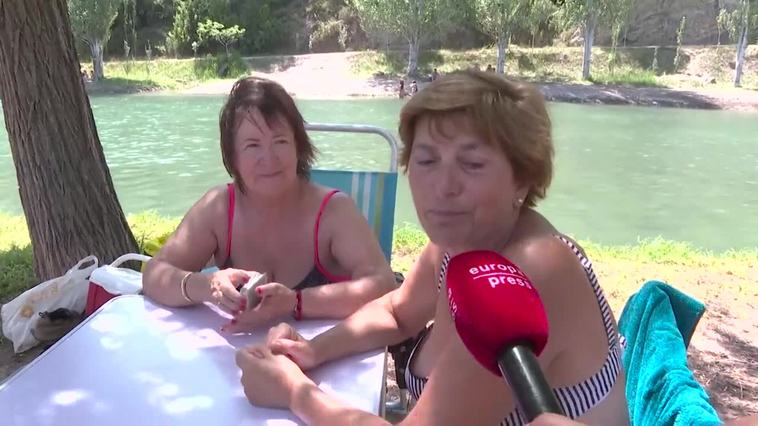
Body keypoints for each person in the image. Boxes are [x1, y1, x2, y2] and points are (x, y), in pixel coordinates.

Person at [236, 70, 630, 425]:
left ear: (521, 181)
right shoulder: (459, 242)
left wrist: (293, 392)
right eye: (427, 160)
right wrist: (311, 351)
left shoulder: (532, 270)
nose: (443, 187)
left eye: (471, 164)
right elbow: (396, 312)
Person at [142, 76, 396, 331]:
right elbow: (154, 274)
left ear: (299, 146)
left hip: (325, 361)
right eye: (253, 145)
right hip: (236, 359)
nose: (269, 158)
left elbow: (382, 284)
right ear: (233, 156)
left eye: (280, 142)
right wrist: (207, 287)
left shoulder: (333, 212)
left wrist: (296, 302)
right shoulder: (219, 209)